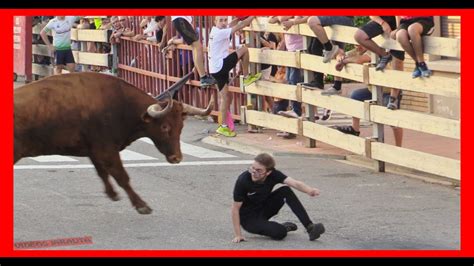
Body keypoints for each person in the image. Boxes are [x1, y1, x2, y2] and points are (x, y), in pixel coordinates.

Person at [232, 153, 325, 242]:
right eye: (252, 168)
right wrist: (238, 235)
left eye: (259, 170)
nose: (254, 172)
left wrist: (310, 190)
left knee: (285, 190)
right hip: (249, 219)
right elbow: (235, 208)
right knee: (280, 233)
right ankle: (284, 228)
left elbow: (294, 183)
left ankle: (310, 227)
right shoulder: (243, 180)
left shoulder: (274, 174)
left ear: (268, 172)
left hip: (264, 208)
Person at [208, 16, 257, 137]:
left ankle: (223, 126)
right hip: (220, 66)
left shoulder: (215, 31)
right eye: (221, 20)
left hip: (215, 68)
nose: (224, 23)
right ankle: (246, 77)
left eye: (225, 20)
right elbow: (240, 26)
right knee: (244, 50)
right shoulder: (220, 33)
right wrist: (252, 16)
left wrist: (239, 17)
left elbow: (232, 24)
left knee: (225, 98)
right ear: (215, 22)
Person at [170, 16, 215, 87]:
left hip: (181, 20)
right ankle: (203, 78)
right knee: (197, 46)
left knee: (195, 47)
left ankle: (202, 75)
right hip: (181, 20)